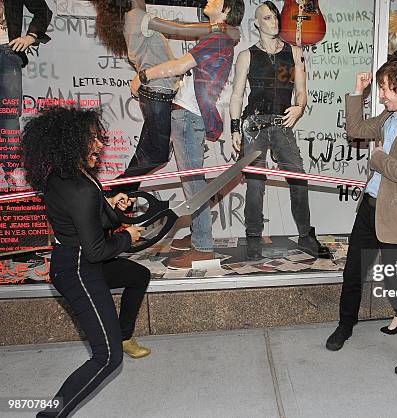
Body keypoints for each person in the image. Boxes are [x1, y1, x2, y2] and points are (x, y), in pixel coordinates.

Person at [21, 107, 151, 418]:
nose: (99, 145)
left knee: (138, 276)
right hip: (79, 269)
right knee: (107, 358)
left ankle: (123, 333)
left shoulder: (68, 175)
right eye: (92, 139)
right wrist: (128, 236)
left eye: (98, 137)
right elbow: (96, 249)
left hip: (77, 260)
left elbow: (87, 217)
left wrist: (112, 205)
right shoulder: (79, 187)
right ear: (72, 141)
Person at [326, 59, 397, 377]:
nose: (381, 96)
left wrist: (377, 158)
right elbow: (355, 130)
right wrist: (357, 92)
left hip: (396, 216)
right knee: (353, 273)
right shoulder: (390, 117)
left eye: (384, 89)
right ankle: (344, 326)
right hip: (369, 208)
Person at [129, 0, 244, 268]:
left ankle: (203, 248)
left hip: (188, 117)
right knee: (193, 182)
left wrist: (142, 76)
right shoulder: (222, 38)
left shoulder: (217, 37)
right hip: (189, 116)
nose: (208, 1)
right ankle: (198, 235)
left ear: (226, 10)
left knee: (194, 185)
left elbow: (178, 66)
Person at [92, 0, 240, 193]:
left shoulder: (135, 18)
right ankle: (111, 191)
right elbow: (181, 29)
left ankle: (121, 198)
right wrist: (221, 28)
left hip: (157, 93)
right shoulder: (136, 16)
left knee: (145, 156)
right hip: (156, 93)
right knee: (158, 155)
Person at [229, 1, 329, 260]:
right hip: (254, 124)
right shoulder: (246, 55)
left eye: (274, 17)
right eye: (266, 18)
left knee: (298, 177)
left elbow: (302, 90)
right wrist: (234, 129)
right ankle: (253, 238)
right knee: (255, 183)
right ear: (256, 24)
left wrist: (299, 107)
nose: (273, 22)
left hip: (282, 122)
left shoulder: (294, 52)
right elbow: (237, 95)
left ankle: (306, 235)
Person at [0, 0, 51, 189]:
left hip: (8, 51)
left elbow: (43, 10)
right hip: (8, 54)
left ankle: (10, 170)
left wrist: (30, 37)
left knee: (9, 114)